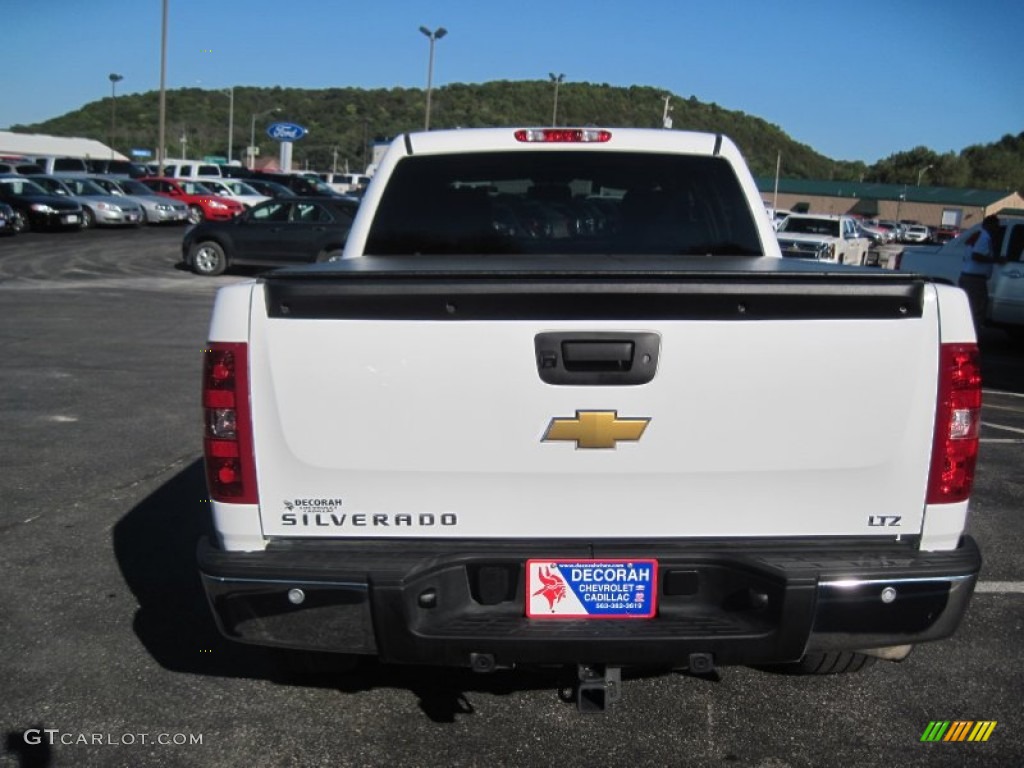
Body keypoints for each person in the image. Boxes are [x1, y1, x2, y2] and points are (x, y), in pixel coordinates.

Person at [958, 215, 1002, 329]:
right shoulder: (984, 237)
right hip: (975, 279)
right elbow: (977, 256)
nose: (997, 229)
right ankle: (972, 334)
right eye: (996, 226)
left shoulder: (977, 235)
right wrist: (996, 260)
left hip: (969, 277)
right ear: (989, 225)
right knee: (977, 310)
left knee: (971, 308)